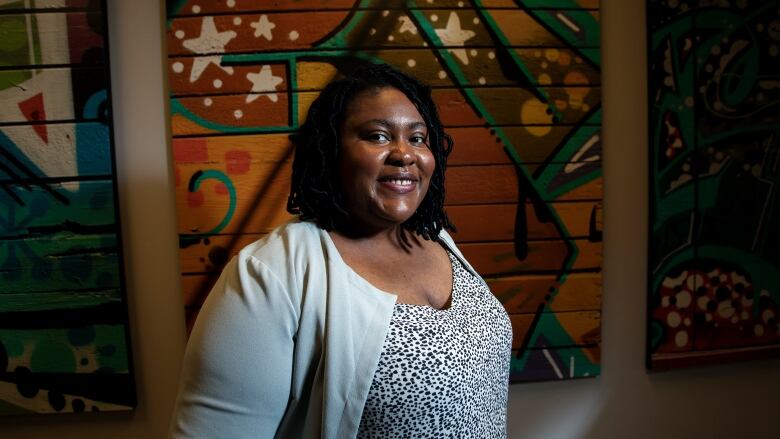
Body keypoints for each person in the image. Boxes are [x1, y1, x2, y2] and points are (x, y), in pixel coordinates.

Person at [169, 63, 512, 438]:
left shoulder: (439, 240)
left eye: (417, 138)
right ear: (332, 150)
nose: (404, 154)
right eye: (378, 136)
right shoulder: (269, 274)